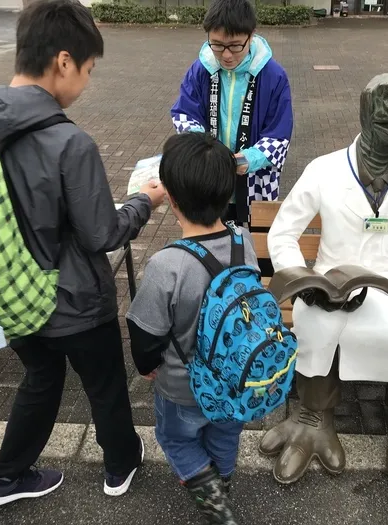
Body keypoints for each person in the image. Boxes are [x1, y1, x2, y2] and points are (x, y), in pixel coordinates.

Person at [0, 0, 165, 508]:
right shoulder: (70, 143)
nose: (87, 83)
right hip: (75, 301)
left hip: (6, 294)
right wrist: (145, 200)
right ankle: (120, 464)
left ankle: (3, 479)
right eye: (89, 70)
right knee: (104, 385)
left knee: (41, 377)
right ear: (65, 61)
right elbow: (101, 235)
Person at [127, 132, 259, 525]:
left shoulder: (167, 265)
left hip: (183, 386)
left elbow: (146, 334)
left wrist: (147, 365)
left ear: (171, 197)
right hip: (235, 375)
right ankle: (222, 479)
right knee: (224, 433)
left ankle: (214, 499)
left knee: (176, 438)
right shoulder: (243, 242)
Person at [170, 0, 293, 275]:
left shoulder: (273, 76)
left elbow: (279, 135)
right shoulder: (201, 69)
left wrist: (243, 160)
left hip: (255, 179)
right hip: (211, 179)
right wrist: (209, 154)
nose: (226, 55)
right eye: (217, 45)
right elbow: (184, 114)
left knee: (262, 250)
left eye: (235, 45)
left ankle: (260, 301)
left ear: (252, 35)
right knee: (210, 252)